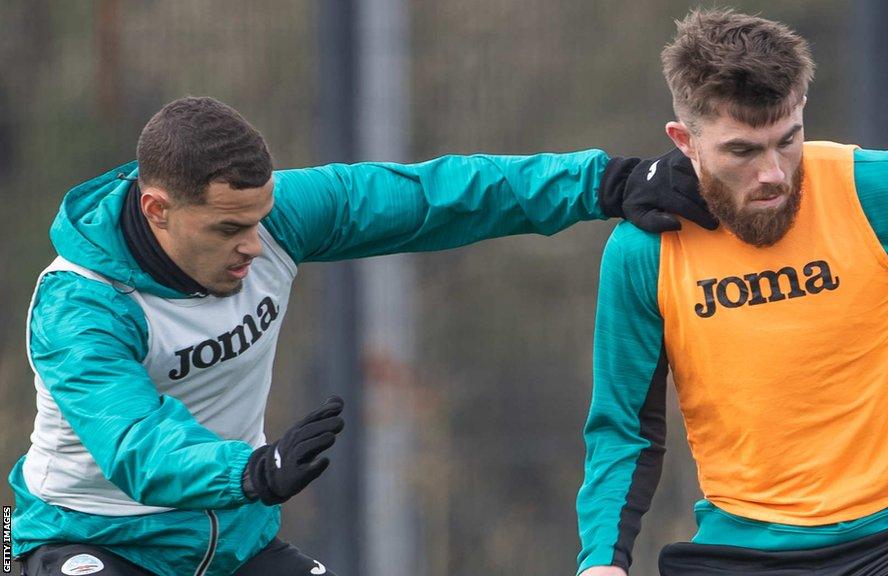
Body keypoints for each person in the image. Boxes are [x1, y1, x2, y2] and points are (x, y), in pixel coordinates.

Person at [9, 96, 714, 576]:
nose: (255, 246)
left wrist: (605, 183)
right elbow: (136, 446)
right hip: (89, 539)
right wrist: (248, 472)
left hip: (232, 540)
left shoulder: (275, 218)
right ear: (157, 210)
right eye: (228, 228)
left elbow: (429, 196)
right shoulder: (82, 306)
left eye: (259, 219)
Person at [576, 9, 888, 576]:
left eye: (787, 141)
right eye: (742, 151)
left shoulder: (880, 189)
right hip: (739, 552)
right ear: (684, 141)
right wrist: (601, 562)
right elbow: (624, 427)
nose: (774, 174)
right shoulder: (645, 249)